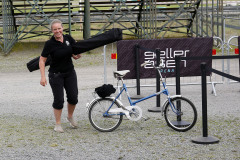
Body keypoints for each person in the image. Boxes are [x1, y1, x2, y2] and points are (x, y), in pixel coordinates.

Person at [39, 19, 81, 133]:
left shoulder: (68, 38)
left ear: (62, 28)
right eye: (55, 29)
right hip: (56, 75)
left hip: (70, 72)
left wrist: (76, 55)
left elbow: (75, 51)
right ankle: (58, 124)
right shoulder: (49, 44)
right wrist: (42, 77)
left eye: (59, 28)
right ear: (52, 31)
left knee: (73, 97)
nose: (57, 31)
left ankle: (70, 116)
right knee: (59, 100)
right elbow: (42, 60)